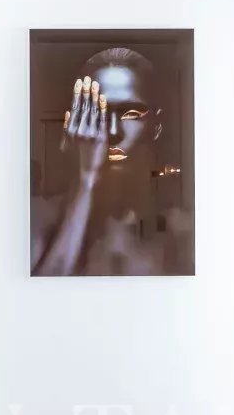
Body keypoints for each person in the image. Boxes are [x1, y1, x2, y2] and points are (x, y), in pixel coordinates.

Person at [31, 47, 191, 276]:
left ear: (155, 126)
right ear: (75, 123)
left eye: (131, 113)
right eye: (99, 114)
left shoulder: (181, 229)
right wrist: (86, 182)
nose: (114, 132)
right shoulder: (41, 219)